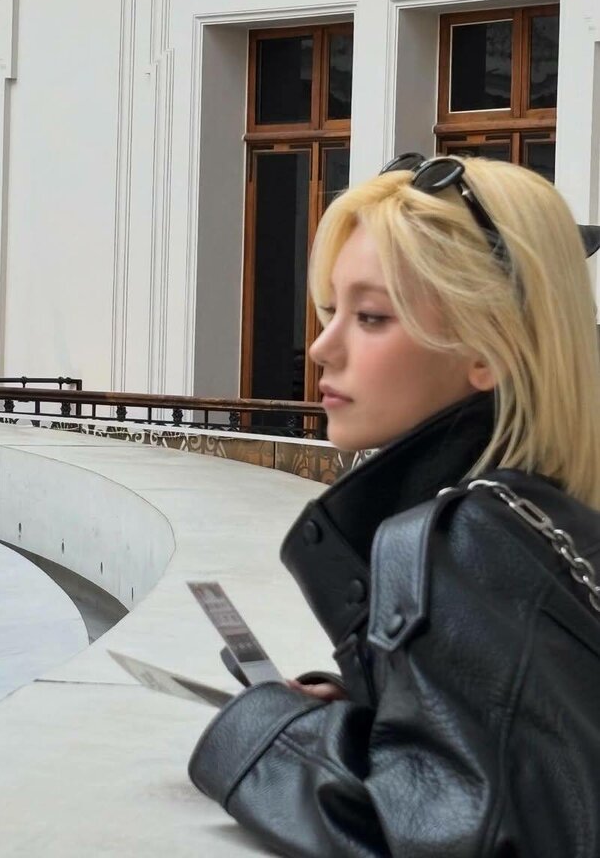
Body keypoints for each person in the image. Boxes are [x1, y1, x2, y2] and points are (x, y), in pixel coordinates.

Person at [189, 153, 600, 857]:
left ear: (487, 350)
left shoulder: (466, 542)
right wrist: (389, 707)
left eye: (372, 317)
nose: (322, 347)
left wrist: (266, 735)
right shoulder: (548, 516)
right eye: (332, 311)